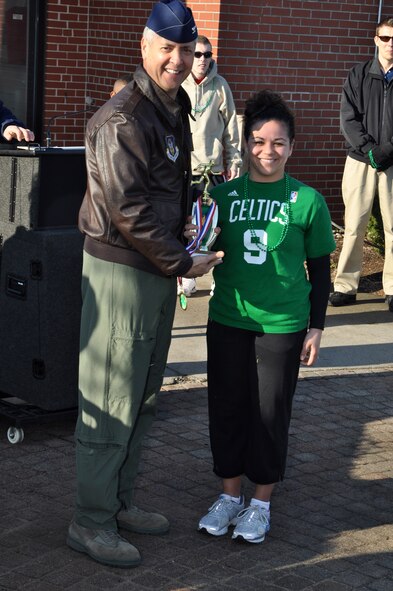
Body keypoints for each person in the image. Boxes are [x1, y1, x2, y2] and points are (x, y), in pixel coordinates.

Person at [66, 0, 223, 569]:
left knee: (143, 395)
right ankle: (91, 521)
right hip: (124, 272)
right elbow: (126, 207)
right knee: (112, 396)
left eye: (186, 50)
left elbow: (160, 189)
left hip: (154, 268)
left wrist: (182, 222)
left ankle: (118, 503)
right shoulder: (124, 118)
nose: (177, 61)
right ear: (145, 45)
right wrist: (183, 262)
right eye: (168, 48)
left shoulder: (170, 107)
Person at [195, 90, 335, 544]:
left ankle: (260, 504)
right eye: (258, 141)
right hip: (229, 318)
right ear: (245, 143)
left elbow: (321, 271)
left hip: (283, 324)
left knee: (270, 413)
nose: (267, 151)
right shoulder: (222, 195)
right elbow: (200, 247)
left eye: (277, 143)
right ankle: (229, 496)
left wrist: (317, 326)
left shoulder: (308, 201)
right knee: (228, 409)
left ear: (291, 147)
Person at [329, 17, 393, 313]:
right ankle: (345, 286)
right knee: (354, 225)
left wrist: (387, 150)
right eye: (385, 38)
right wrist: (369, 150)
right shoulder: (358, 74)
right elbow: (348, 118)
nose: (390, 44)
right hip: (360, 161)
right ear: (375, 39)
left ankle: (392, 288)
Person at [180, 34, 241, 297]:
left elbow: (231, 128)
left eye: (208, 55)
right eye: (198, 54)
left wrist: (235, 159)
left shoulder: (220, 85)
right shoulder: (178, 83)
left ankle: (218, 275)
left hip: (214, 169)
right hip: (186, 170)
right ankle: (186, 275)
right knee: (187, 226)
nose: (203, 60)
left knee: (217, 227)